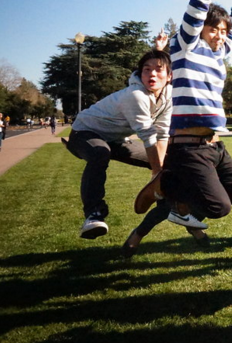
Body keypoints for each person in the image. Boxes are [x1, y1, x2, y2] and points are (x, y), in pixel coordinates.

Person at [135, 0, 232, 225]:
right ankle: (172, 190)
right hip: (188, 145)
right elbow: (196, 6)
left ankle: (170, 184)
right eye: (213, 29)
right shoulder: (185, 45)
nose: (220, 34)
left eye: (223, 31)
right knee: (219, 208)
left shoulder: (222, 51)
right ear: (202, 29)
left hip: (214, 144)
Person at [65, 48, 206, 245]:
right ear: (140, 74)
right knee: (100, 153)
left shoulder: (167, 96)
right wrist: (157, 174)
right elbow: (149, 137)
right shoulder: (135, 95)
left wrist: (160, 170)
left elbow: (163, 133)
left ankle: (179, 211)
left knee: (169, 164)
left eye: (158, 69)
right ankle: (93, 215)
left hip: (117, 139)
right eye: (146, 70)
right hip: (85, 133)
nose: (152, 74)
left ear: (169, 75)